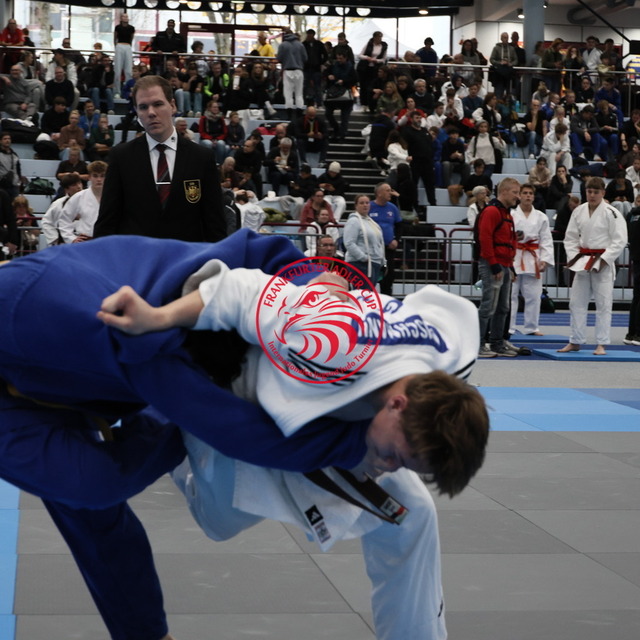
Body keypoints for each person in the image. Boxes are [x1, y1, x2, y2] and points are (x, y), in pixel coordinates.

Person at [98, 239, 489, 640]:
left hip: (329, 399)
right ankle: (173, 430)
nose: (389, 466)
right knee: (219, 521)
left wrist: (331, 288)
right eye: (395, 455)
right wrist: (157, 317)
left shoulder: (452, 355)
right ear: (398, 405)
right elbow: (239, 292)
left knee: (412, 512)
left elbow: (446, 310)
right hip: (242, 394)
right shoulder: (335, 342)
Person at [94, 75, 226, 243]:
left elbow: (215, 224)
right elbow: (106, 223)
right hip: (138, 256)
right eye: (143, 107)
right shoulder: (121, 157)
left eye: (157, 104)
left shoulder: (202, 158)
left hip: (187, 256)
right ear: (136, 112)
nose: (151, 113)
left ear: (172, 106)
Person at [558, 177, 628, 356]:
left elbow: (620, 240)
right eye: (589, 192)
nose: (592, 195)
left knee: (603, 304)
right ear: (585, 192)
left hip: (602, 262)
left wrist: (605, 260)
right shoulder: (579, 211)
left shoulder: (612, 213)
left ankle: (601, 343)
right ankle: (575, 340)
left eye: (596, 192)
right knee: (576, 303)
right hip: (582, 261)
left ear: (603, 193)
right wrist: (575, 258)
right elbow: (570, 237)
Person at [476, 177, 519, 358]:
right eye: (515, 192)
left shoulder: (506, 214)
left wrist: (511, 267)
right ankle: (477, 344)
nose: (517, 196)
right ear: (504, 192)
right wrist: (494, 265)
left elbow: (511, 241)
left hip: (505, 265)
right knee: (488, 306)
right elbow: (485, 238)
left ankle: (497, 342)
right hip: (493, 264)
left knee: (503, 307)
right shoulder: (492, 211)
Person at [509, 183, 554, 336]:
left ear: (534, 197)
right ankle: (508, 327)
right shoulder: (511, 215)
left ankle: (532, 327)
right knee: (511, 295)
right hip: (514, 256)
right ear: (519, 196)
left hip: (533, 257)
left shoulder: (541, 217)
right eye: (525, 193)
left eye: (530, 193)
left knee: (534, 295)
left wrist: (545, 260)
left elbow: (546, 240)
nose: (528, 196)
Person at [57, 160, 107, 243]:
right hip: (85, 241)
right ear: (89, 177)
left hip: (108, 241)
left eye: (102, 176)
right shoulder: (79, 197)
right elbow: (64, 220)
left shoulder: (114, 197)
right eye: (95, 176)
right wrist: (71, 238)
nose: (99, 179)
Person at [343, 193, 386, 285]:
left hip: (374, 262)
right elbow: (349, 243)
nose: (365, 205)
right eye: (362, 203)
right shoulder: (353, 221)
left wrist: (382, 260)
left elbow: (378, 243)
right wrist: (363, 258)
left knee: (370, 292)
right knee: (363, 291)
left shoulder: (371, 222)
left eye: (367, 203)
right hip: (359, 263)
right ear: (356, 206)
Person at [369, 182, 403, 295]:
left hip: (388, 248)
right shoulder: (369, 207)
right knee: (370, 276)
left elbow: (399, 226)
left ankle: (386, 300)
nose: (390, 193)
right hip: (372, 249)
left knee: (388, 277)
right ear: (379, 193)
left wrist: (396, 240)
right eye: (387, 190)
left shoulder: (392, 208)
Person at [402, 110, 437, 207]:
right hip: (415, 162)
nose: (419, 120)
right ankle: (415, 204)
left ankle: (433, 204)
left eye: (420, 118)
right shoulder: (407, 131)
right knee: (414, 184)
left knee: (430, 184)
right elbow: (404, 146)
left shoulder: (425, 131)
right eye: (417, 118)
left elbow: (430, 145)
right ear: (411, 119)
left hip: (427, 162)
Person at [40, 173, 84, 245]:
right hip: (64, 242)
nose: (79, 187)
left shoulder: (90, 201)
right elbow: (46, 222)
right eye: (74, 185)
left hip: (85, 240)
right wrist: (55, 239)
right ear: (66, 189)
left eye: (79, 183)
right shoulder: (58, 204)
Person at [323, 51, 357, 141]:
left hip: (346, 95)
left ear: (345, 58)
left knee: (344, 117)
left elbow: (355, 79)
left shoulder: (350, 68)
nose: (339, 60)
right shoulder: (333, 66)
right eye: (338, 58)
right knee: (328, 113)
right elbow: (325, 73)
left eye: (341, 58)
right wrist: (329, 76)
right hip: (333, 94)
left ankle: (342, 134)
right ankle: (336, 128)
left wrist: (344, 81)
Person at [277, 28, 307, 118]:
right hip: (299, 70)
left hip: (288, 70)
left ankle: (289, 115)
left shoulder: (283, 45)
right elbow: (305, 58)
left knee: (288, 94)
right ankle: (299, 114)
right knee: (299, 94)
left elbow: (279, 58)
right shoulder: (300, 44)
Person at [357, 32, 388, 111]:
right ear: (374, 38)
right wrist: (367, 58)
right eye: (378, 37)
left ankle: (371, 104)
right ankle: (363, 104)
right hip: (365, 69)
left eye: (380, 37)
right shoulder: (369, 44)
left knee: (372, 86)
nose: (379, 39)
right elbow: (360, 55)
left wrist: (376, 60)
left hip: (375, 69)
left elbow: (384, 59)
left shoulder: (383, 46)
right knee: (364, 86)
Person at [625, 198, 640, 345]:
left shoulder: (631, 215)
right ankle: (638, 334)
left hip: (635, 258)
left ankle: (631, 333)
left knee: (636, 297)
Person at [302, 28, 327, 107]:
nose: (308, 36)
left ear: (313, 35)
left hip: (316, 69)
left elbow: (325, 55)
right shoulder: (304, 44)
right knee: (305, 87)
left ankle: (319, 103)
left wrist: (320, 63)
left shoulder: (319, 44)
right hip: (306, 68)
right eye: (308, 34)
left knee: (317, 87)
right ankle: (304, 103)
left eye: (310, 35)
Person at [489, 32, 517, 100]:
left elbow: (516, 60)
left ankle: (507, 104)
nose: (506, 39)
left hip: (509, 73)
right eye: (504, 37)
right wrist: (499, 63)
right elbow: (491, 59)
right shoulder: (496, 48)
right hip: (499, 74)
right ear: (501, 38)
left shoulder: (512, 49)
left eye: (507, 38)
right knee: (498, 93)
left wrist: (511, 63)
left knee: (509, 93)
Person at [113, 13, 135, 97]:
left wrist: (129, 46)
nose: (125, 18)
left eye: (126, 16)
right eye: (123, 16)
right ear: (121, 18)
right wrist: (116, 47)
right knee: (117, 70)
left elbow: (131, 38)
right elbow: (115, 38)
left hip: (127, 46)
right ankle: (117, 92)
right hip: (119, 45)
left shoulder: (131, 28)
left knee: (128, 70)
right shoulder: (118, 27)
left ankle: (128, 90)